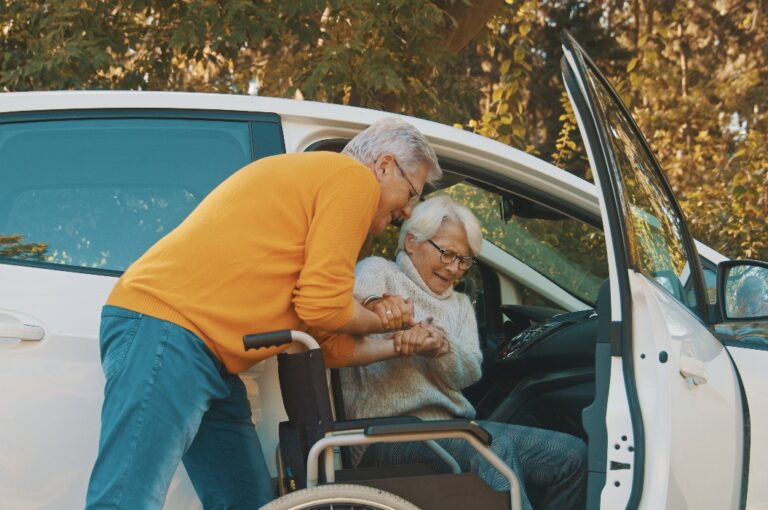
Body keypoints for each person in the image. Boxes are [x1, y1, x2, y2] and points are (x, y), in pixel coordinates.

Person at [85, 117, 442, 509]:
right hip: (168, 331)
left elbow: (325, 343)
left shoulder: (319, 197)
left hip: (207, 355)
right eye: (411, 192)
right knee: (124, 501)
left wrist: (398, 343)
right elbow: (324, 305)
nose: (409, 210)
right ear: (385, 165)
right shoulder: (352, 179)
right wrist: (382, 319)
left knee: (246, 500)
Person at [341, 195, 587, 510]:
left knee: (572, 456)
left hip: (450, 427)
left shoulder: (458, 305)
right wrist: (390, 320)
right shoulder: (379, 271)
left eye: (464, 259)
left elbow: (469, 372)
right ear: (412, 242)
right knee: (494, 450)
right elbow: (355, 306)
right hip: (383, 435)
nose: (455, 268)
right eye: (447, 253)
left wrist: (441, 348)